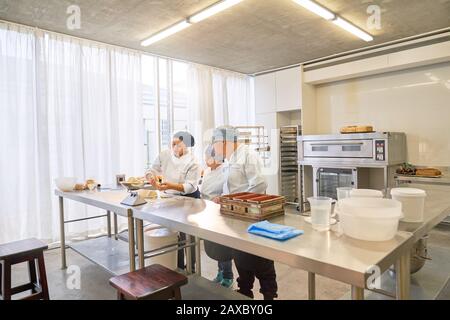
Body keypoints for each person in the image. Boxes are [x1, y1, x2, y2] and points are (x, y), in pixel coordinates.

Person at [211, 126, 278, 300]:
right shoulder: (230, 158)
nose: (214, 147)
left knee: (261, 259)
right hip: (235, 216)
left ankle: (269, 295)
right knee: (240, 254)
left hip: (252, 215)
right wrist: (223, 198)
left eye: (215, 143)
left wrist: (235, 200)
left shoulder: (248, 155)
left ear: (225, 141)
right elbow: (232, 186)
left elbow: (259, 185)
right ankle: (245, 290)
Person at [146, 131, 201, 271]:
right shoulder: (165, 155)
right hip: (169, 199)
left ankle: (191, 267)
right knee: (172, 234)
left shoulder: (193, 162)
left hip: (189, 200)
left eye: (178, 143)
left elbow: (190, 186)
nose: (174, 145)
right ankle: (177, 266)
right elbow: (152, 169)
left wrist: (170, 185)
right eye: (173, 142)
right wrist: (151, 178)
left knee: (188, 236)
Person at [200, 144, 234, 288]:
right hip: (208, 212)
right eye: (206, 157)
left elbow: (229, 190)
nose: (206, 159)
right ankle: (220, 272)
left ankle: (228, 275)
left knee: (223, 247)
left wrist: (220, 198)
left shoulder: (226, 170)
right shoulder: (207, 171)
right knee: (214, 246)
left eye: (209, 157)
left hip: (221, 213)